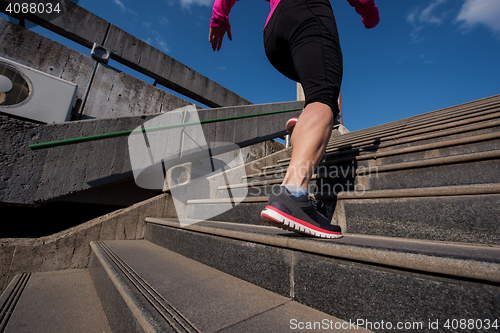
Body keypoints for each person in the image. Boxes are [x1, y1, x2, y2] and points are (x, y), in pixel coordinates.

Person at [209, 0, 379, 238]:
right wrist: (369, 12)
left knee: (316, 87)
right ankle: (292, 194)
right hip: (306, 10)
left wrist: (219, 16)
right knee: (324, 95)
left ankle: (305, 131)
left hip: (273, 34)